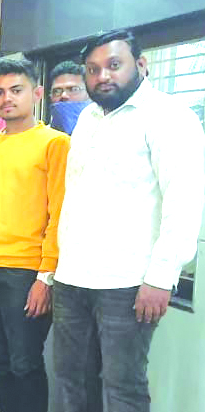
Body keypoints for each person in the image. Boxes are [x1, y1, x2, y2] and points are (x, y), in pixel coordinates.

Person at [54, 29, 205, 412]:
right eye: (93, 69)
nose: (102, 76)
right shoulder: (87, 117)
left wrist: (161, 277)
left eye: (113, 65)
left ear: (141, 64)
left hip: (128, 283)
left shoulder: (169, 117)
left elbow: (183, 202)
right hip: (72, 277)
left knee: (122, 388)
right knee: (72, 379)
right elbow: (75, 196)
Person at [0, 57, 70, 412]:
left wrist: (46, 277)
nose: (6, 98)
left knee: (24, 364)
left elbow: (60, 214)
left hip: (24, 273)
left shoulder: (55, 143)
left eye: (16, 90)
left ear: (36, 94)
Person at [47, 61, 91, 134]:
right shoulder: (45, 137)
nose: (64, 95)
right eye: (57, 91)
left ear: (88, 93)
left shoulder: (103, 131)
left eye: (73, 89)